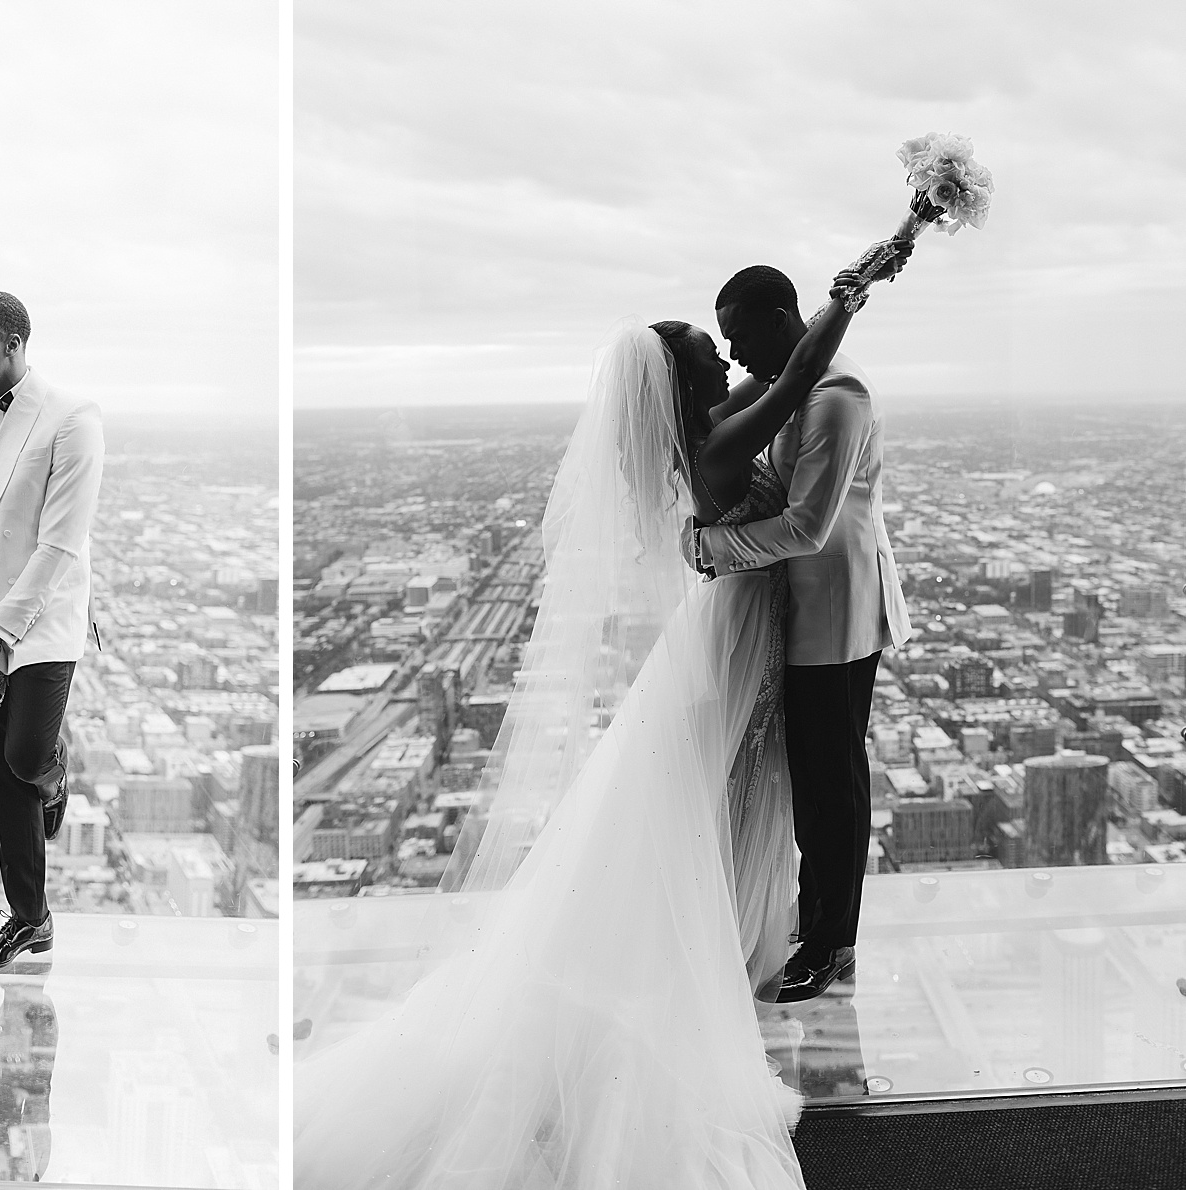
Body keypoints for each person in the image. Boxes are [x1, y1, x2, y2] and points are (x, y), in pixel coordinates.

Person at [294, 253, 907, 1189]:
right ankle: (744, 941)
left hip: (758, 616)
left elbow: (798, 399)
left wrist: (857, 285)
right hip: (744, 615)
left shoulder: (732, 420)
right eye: (714, 349)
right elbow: (790, 386)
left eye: (728, 338)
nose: (728, 356)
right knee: (742, 776)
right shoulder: (725, 434)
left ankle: (757, 933)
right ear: (684, 379)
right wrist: (852, 292)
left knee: (752, 777)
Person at [690, 266, 914, 1003]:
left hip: (836, 609)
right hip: (802, 603)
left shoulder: (837, 396)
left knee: (831, 782)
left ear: (783, 318)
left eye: (743, 336)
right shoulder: (791, 377)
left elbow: (808, 527)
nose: (736, 354)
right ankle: (815, 917)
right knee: (815, 776)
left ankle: (832, 942)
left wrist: (707, 551)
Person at [0, 291, 105, 972]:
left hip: (44, 618)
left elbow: (62, 546)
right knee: (4, 785)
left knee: (27, 757)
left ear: (11, 343)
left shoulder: (72, 419)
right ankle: (29, 920)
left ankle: (55, 776)